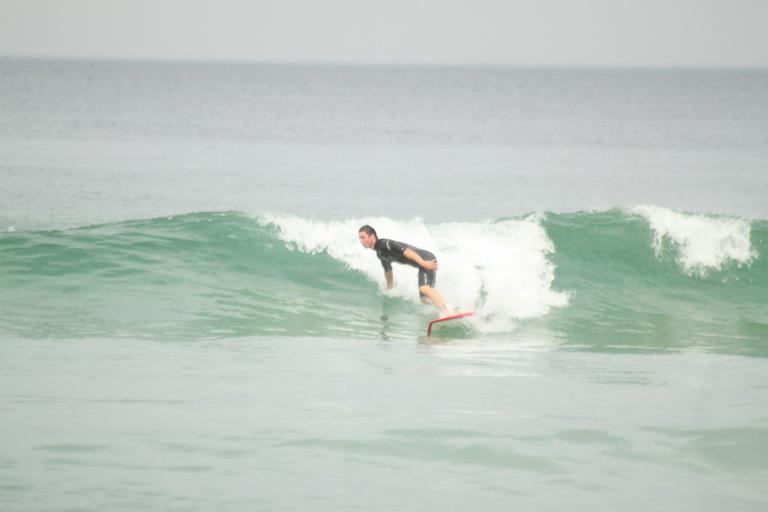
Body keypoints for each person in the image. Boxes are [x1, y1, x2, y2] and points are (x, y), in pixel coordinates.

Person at [358, 225, 451, 317]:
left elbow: (408, 251)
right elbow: (388, 272)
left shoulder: (385, 244)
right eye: (360, 238)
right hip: (423, 263)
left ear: (372, 236)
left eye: (363, 237)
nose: (361, 240)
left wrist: (424, 263)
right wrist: (389, 288)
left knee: (424, 288)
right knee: (424, 299)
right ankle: (447, 309)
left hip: (425, 258)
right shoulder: (380, 254)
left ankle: (446, 311)